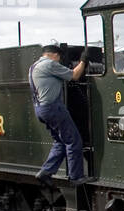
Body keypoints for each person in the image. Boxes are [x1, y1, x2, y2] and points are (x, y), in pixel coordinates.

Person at [29, 42, 89, 185]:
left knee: (60, 142)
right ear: (55, 55)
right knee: (74, 140)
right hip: (53, 108)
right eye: (59, 58)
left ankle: (46, 171)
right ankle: (76, 177)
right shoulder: (50, 64)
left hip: (40, 109)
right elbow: (75, 76)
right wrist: (84, 60)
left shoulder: (34, 66)